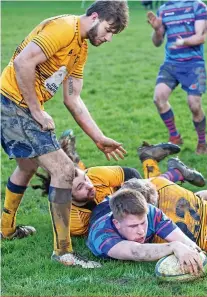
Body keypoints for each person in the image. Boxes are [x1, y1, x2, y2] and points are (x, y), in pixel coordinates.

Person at [0, 0, 129, 268]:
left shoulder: (80, 48)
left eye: (113, 34)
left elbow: (74, 100)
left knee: (26, 167)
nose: (108, 38)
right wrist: (36, 110)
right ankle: (63, 253)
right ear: (94, 16)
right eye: (108, 30)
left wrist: (99, 137)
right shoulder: (64, 27)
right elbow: (23, 62)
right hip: (12, 105)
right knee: (64, 171)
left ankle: (5, 229)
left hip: (15, 106)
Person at [87, 154, 207, 264]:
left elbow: (187, 244)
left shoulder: (151, 212)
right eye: (133, 226)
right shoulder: (100, 236)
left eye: (143, 223)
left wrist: (187, 248)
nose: (140, 230)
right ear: (116, 222)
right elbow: (135, 251)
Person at [33, 129, 205, 237]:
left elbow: (132, 174)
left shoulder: (95, 176)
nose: (89, 185)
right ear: (67, 198)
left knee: (150, 193)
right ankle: (162, 165)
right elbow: (104, 229)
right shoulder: (74, 222)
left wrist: (127, 194)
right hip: (111, 205)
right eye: (81, 187)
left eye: (85, 180)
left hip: (123, 191)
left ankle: (161, 165)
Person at [147, 0, 207, 154]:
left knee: (194, 105)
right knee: (158, 98)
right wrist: (157, 30)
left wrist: (183, 41)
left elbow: (201, 37)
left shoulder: (198, 6)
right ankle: (175, 136)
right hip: (171, 64)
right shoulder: (164, 8)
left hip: (194, 64)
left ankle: (202, 142)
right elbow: (157, 42)